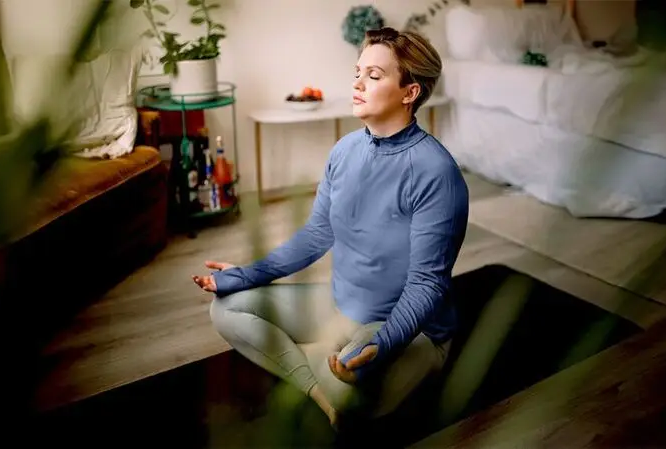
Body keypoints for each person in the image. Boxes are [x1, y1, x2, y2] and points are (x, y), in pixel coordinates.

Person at [192, 27, 469, 428]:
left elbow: (428, 284)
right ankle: (318, 386)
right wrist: (245, 275)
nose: (357, 83)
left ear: (410, 93)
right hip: (340, 307)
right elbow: (317, 235)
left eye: (374, 76)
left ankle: (337, 370)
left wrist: (385, 341)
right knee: (228, 307)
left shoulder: (435, 173)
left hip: (404, 327)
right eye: (358, 72)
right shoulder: (345, 151)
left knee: (353, 383)